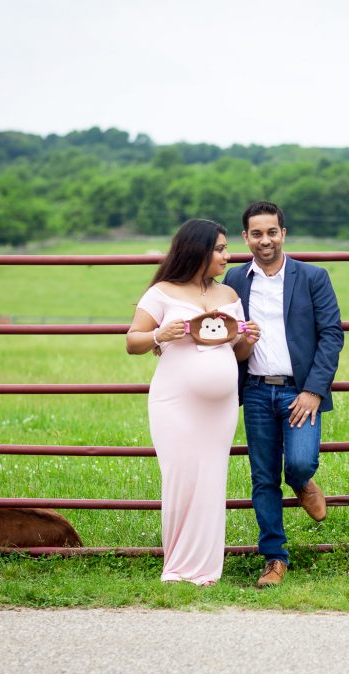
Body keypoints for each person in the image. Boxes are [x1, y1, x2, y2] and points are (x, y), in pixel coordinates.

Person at [126, 218, 260, 586]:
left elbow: (239, 353)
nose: (227, 255)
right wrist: (157, 332)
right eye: (219, 249)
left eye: (225, 248)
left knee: (212, 480)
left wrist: (250, 337)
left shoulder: (229, 297)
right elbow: (132, 342)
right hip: (175, 404)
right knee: (181, 479)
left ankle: (206, 570)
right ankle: (177, 567)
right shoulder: (162, 293)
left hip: (220, 408)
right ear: (196, 250)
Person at [223, 201, 344, 588]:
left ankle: (303, 483)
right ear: (246, 237)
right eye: (256, 234)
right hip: (256, 391)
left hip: (299, 392)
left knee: (300, 463)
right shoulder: (236, 281)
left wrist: (313, 390)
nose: (265, 240)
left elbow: (331, 335)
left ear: (283, 234)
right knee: (262, 478)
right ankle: (275, 558)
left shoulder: (312, 277)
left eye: (271, 232)